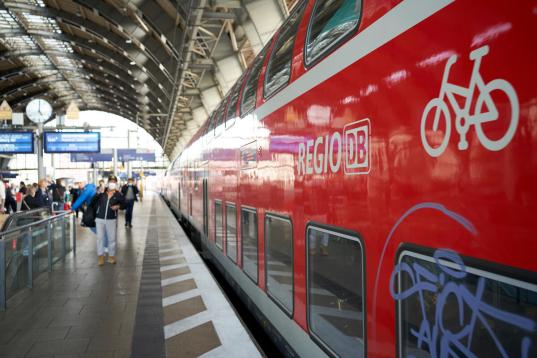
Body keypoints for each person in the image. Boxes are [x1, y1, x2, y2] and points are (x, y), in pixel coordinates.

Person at [91, 175, 124, 266]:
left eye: (114, 182)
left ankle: (111, 256)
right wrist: (98, 193)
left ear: (116, 183)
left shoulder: (118, 194)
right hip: (99, 219)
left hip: (111, 219)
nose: (112, 183)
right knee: (100, 238)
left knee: (112, 238)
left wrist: (118, 206)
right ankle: (100, 257)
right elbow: (92, 202)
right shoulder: (102, 193)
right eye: (111, 181)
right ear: (108, 183)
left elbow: (124, 204)